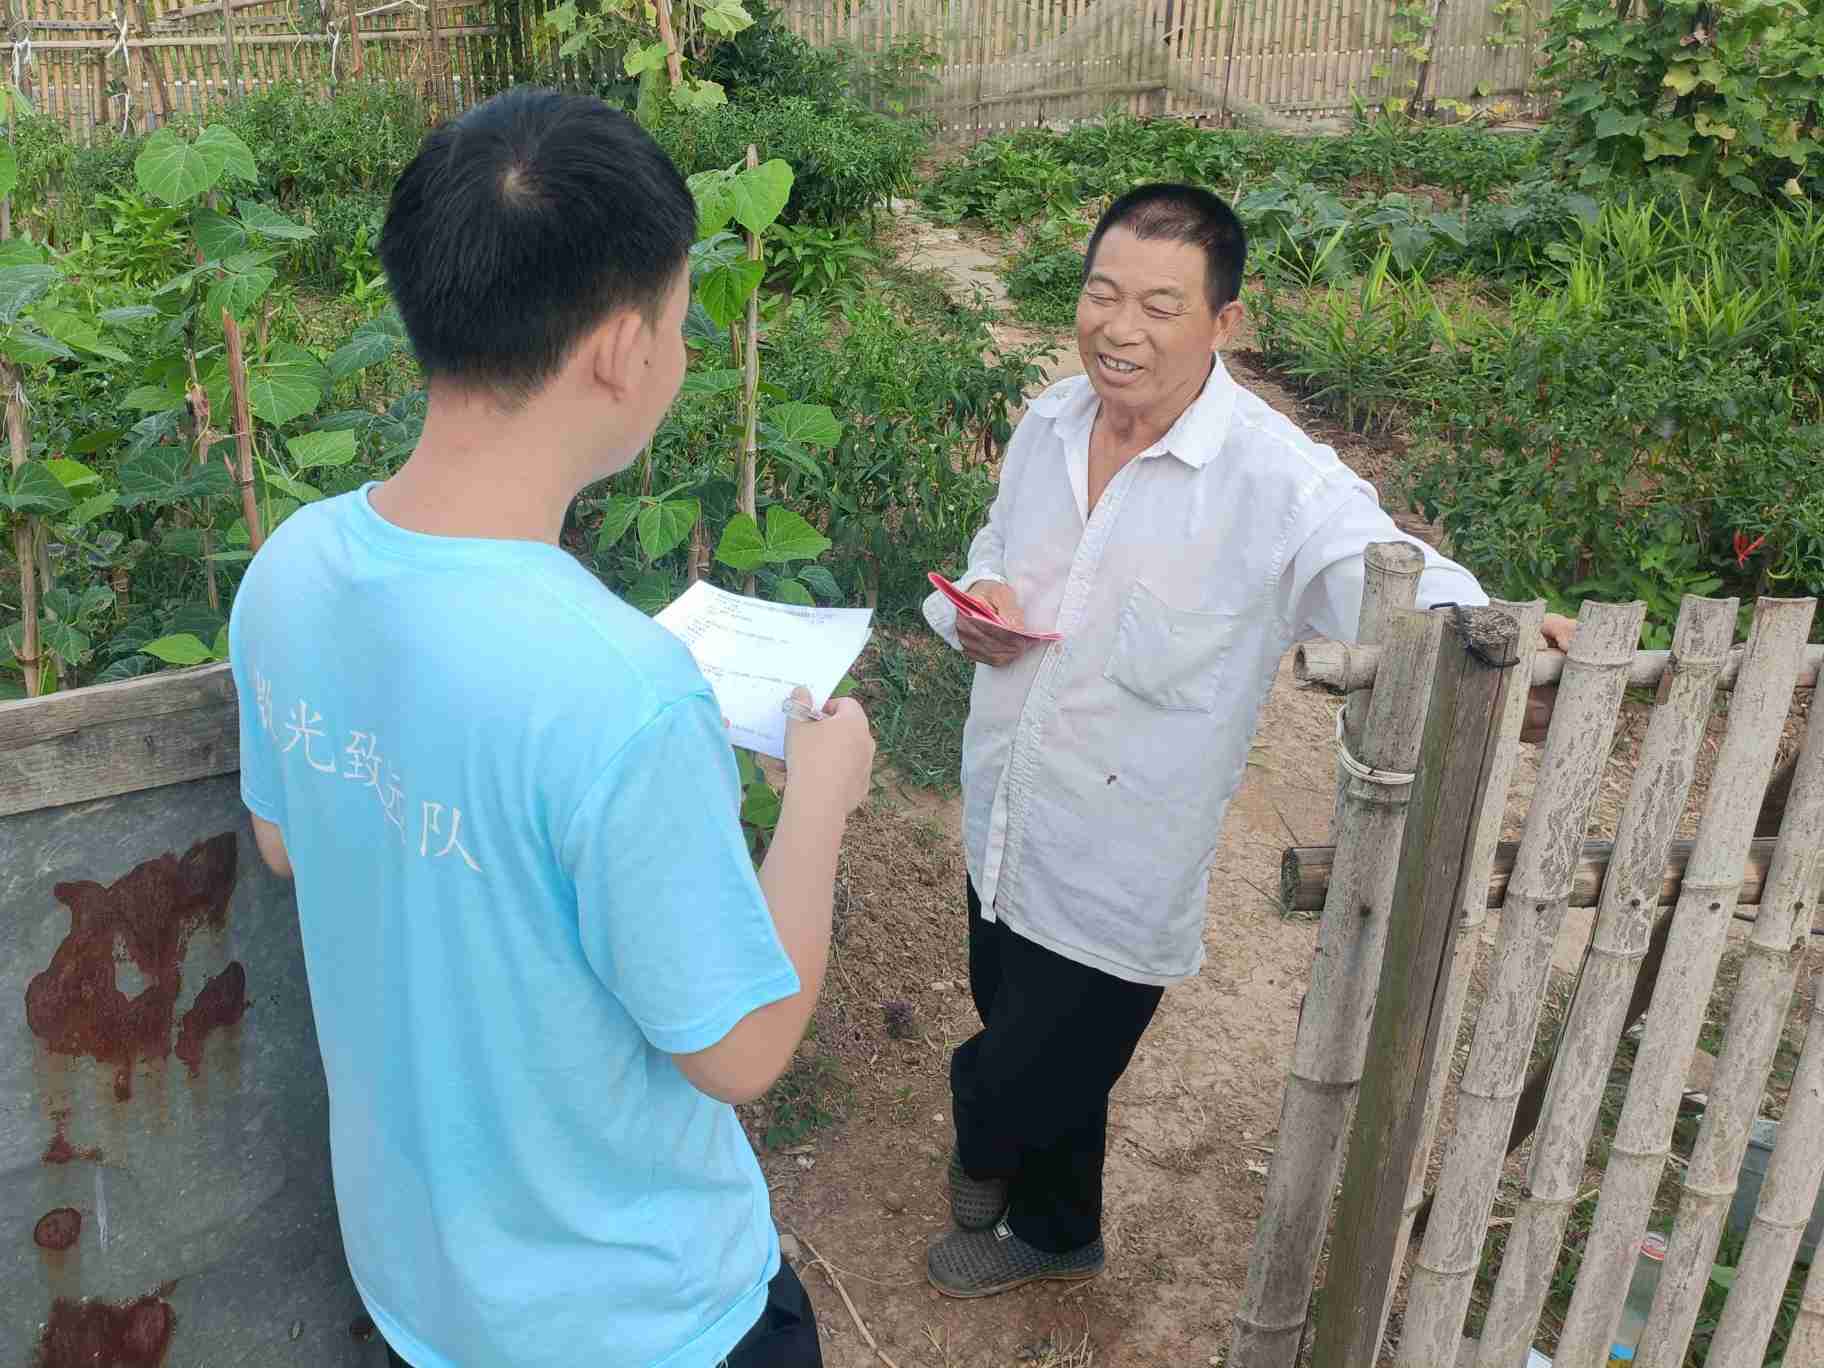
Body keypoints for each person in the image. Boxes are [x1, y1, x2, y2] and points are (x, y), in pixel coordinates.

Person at [227, 88, 874, 1368]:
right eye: (683, 322)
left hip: (430, 1296)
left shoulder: (291, 568)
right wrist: (818, 804)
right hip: (643, 1323)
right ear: (625, 350)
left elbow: (286, 839)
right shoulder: (622, 696)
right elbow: (741, 1051)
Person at [920, 183, 1575, 1297]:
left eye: (1161, 306)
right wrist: (981, 591)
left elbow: (1377, 565)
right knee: (1029, 1034)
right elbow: (1002, 537)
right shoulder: (1049, 422)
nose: (1119, 330)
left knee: (1022, 1070)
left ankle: (984, 1142)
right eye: (1102, 293)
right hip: (1005, 809)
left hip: (1121, 858)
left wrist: (1488, 633)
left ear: (1225, 323)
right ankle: (1059, 1227)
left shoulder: (1275, 481)